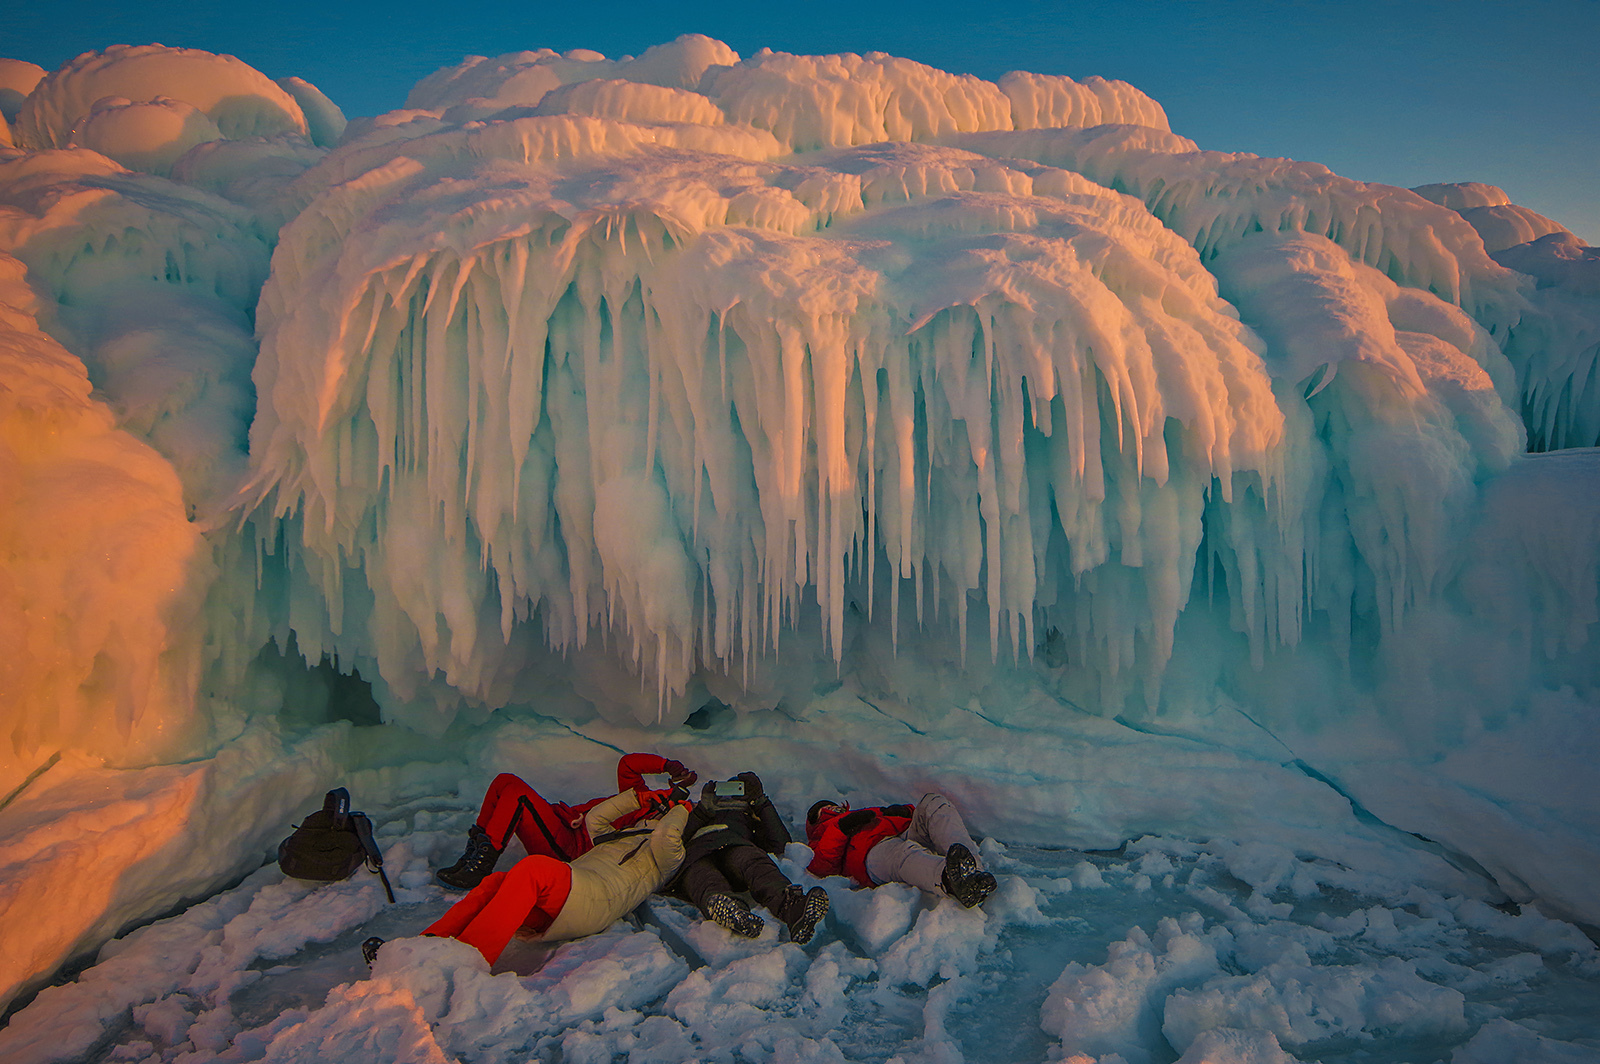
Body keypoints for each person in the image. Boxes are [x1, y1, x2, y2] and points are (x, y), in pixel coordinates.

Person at [366, 788, 691, 968]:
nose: (655, 816)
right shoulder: (618, 835)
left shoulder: (668, 857)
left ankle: (464, 963)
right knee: (496, 884)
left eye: (659, 815)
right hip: (577, 891)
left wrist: (682, 809)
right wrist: (639, 799)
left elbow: (665, 836)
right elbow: (596, 818)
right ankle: (420, 951)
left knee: (534, 869)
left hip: (599, 898)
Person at [436, 753, 697, 890]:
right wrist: (667, 765)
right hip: (564, 826)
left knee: (518, 797)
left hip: (571, 851)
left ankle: (481, 866)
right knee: (504, 781)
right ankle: (471, 856)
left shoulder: (651, 826)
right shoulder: (639, 798)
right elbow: (627, 764)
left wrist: (672, 808)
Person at [668, 772, 830, 944]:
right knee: (703, 876)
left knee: (754, 863)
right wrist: (702, 810)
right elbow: (675, 838)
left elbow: (781, 844)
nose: (729, 797)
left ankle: (792, 907)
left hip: (735, 845)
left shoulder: (749, 818)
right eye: (724, 793)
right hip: (697, 852)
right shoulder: (695, 810)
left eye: (737, 793)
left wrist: (761, 802)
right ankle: (730, 910)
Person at [804, 793, 997, 908]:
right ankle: (951, 881)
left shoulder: (862, 812)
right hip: (870, 855)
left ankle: (974, 872)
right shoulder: (819, 837)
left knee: (933, 803)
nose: (833, 808)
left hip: (903, 831)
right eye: (826, 809)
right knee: (903, 853)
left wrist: (904, 811)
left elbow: (907, 815)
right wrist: (841, 829)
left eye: (832, 805)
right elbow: (822, 867)